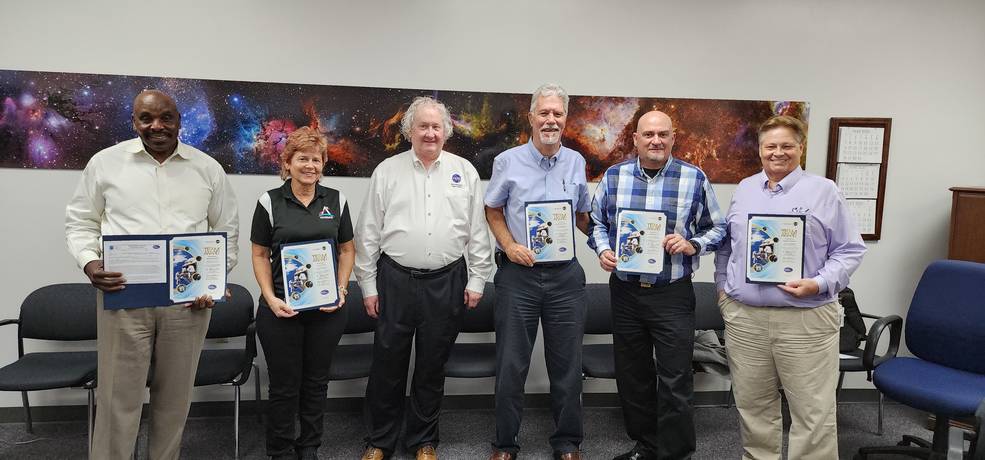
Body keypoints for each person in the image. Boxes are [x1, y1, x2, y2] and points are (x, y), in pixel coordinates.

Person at [65, 89, 239, 459]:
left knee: (174, 398)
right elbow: (80, 223)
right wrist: (89, 263)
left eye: (165, 117)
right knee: (117, 397)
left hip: (188, 303)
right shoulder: (105, 163)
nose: (156, 126)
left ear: (179, 120)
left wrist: (214, 280)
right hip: (125, 297)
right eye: (146, 118)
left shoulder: (207, 168)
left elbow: (227, 230)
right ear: (134, 122)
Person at [714, 115, 866, 460]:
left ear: (800, 148)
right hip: (745, 321)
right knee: (753, 409)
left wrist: (818, 283)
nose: (778, 153)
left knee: (813, 414)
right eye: (771, 146)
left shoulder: (824, 191)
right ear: (760, 149)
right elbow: (728, 246)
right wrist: (723, 289)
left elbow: (850, 250)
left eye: (786, 146)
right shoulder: (746, 188)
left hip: (805, 322)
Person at [354, 96, 493, 460]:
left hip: (446, 281)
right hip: (395, 279)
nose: (430, 132)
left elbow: (478, 232)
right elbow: (367, 231)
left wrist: (478, 279)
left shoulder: (465, 171)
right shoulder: (388, 170)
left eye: (436, 127)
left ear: (446, 132)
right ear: (409, 132)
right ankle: (379, 440)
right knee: (388, 363)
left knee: (432, 365)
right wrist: (368, 285)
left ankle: (423, 441)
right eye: (423, 126)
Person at [588, 110, 726, 460]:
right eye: (648, 134)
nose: (656, 141)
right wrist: (603, 249)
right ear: (635, 138)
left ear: (673, 137)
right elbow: (596, 222)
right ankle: (646, 446)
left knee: (676, 378)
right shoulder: (615, 177)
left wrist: (692, 243)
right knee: (633, 376)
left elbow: (719, 228)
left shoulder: (694, 178)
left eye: (663, 134)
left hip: (672, 294)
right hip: (626, 293)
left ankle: (677, 453)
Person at [484, 83, 590, 460]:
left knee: (567, 365)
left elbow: (582, 217)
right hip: (519, 277)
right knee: (512, 365)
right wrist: (509, 246)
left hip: (565, 278)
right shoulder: (508, 161)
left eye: (557, 114)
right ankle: (505, 444)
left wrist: (613, 245)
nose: (550, 120)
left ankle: (567, 443)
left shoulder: (576, 162)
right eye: (543, 113)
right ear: (531, 117)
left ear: (565, 119)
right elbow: (492, 210)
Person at [250, 126, 355, 460]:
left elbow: (348, 250)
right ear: (288, 162)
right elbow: (259, 253)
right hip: (281, 309)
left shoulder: (336, 200)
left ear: (323, 163)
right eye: (302, 159)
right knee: (283, 385)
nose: (310, 165)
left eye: (316, 159)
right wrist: (269, 297)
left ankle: (309, 445)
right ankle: (280, 449)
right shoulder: (270, 201)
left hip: (326, 310)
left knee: (316, 382)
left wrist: (340, 289)